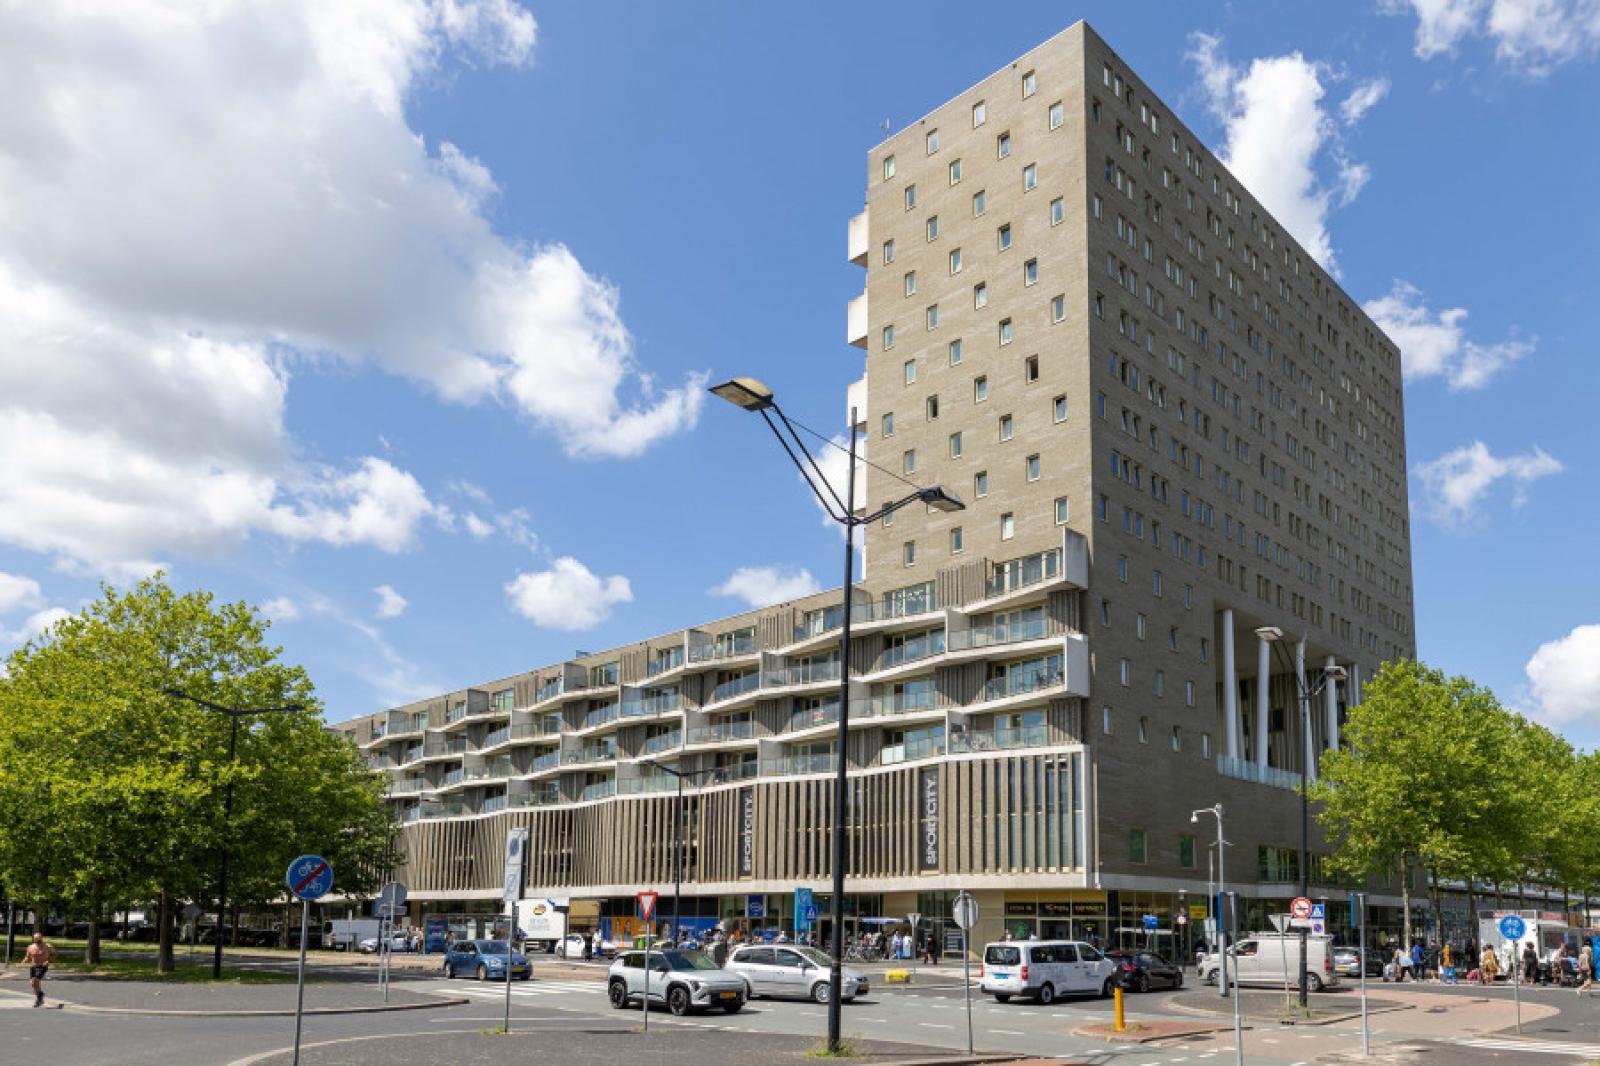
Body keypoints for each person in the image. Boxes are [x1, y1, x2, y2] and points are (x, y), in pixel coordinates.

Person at [26, 932, 57, 1008]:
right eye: (36, 938)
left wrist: (49, 960)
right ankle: (40, 997)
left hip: (43, 966)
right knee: (33, 984)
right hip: (33, 966)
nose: (38, 939)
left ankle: (39, 998)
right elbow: (27, 957)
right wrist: (25, 960)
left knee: (35, 980)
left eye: (39, 938)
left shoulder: (48, 946)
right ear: (33, 939)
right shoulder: (30, 947)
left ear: (42, 938)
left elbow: (55, 954)